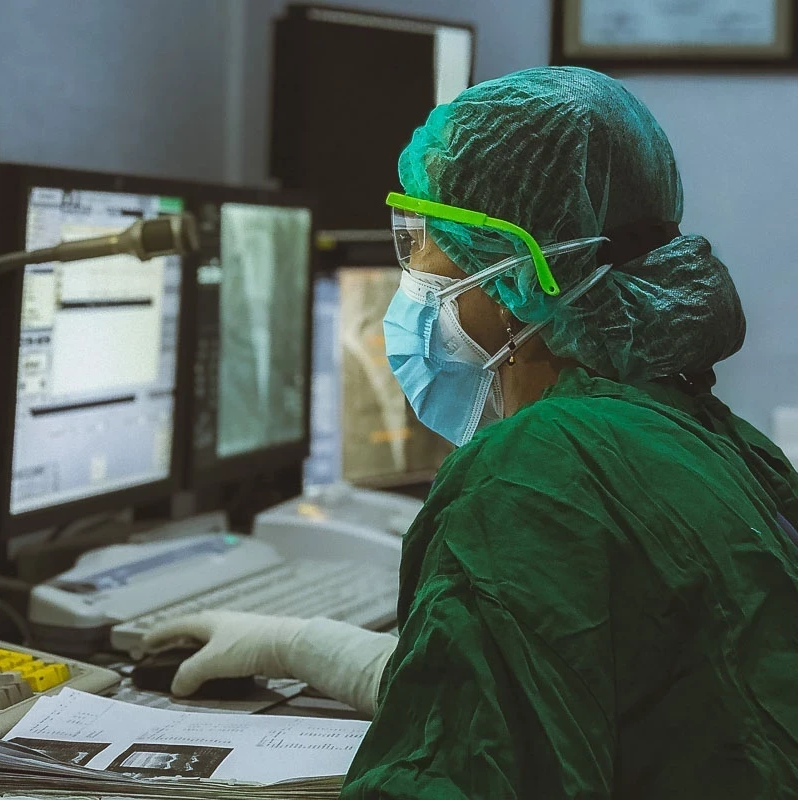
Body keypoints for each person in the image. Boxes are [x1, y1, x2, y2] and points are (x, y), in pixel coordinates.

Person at [144, 67, 798, 797]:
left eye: (423, 238)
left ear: (515, 275)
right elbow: (559, 695)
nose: (412, 270)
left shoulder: (537, 471)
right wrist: (302, 644)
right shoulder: (708, 435)